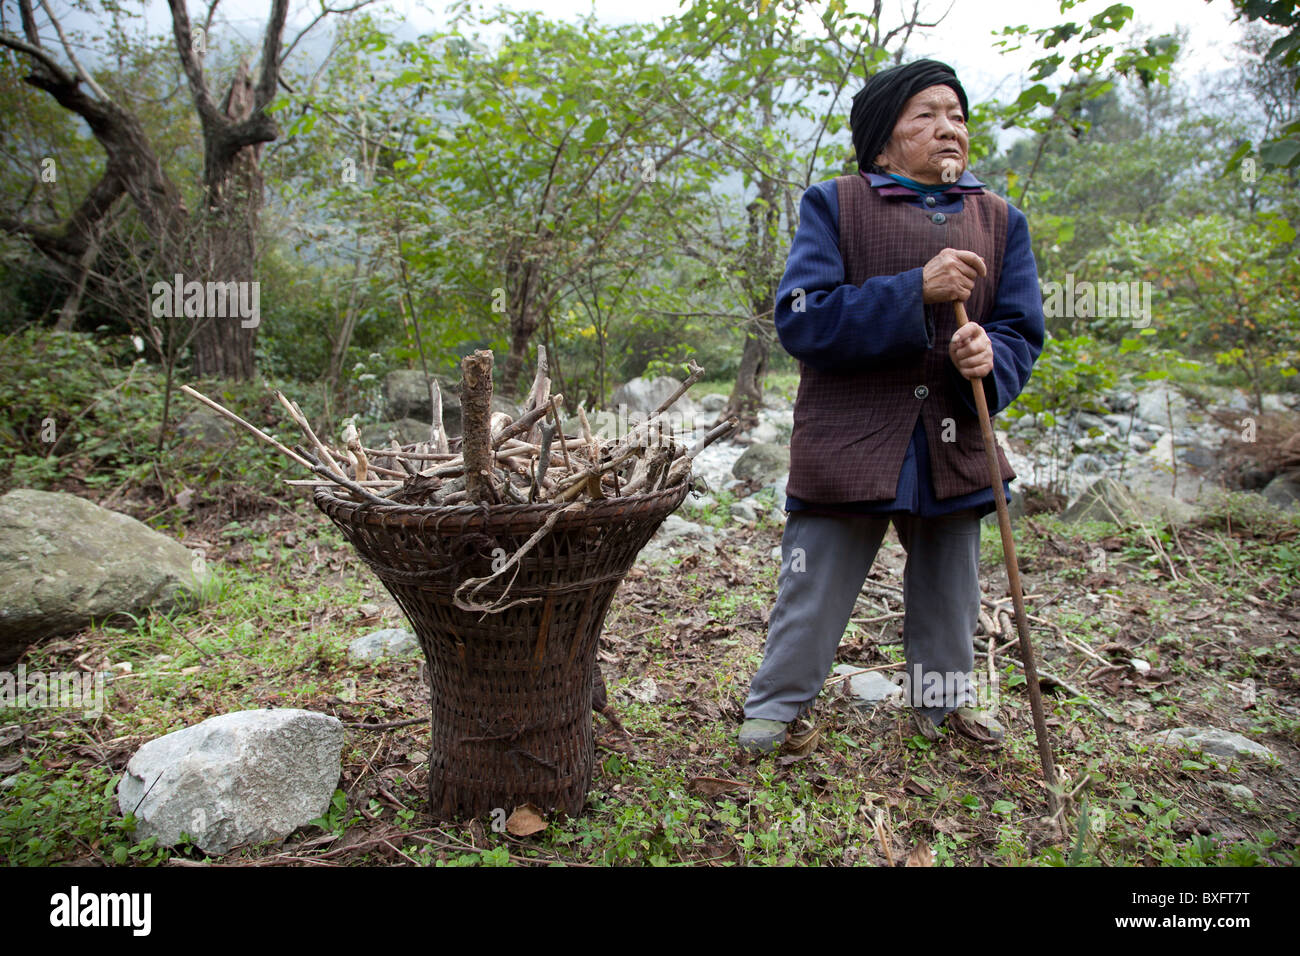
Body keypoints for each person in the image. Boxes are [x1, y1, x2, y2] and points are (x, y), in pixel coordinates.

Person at [739, 59, 1045, 754]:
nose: (949, 129)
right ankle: (775, 710)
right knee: (814, 583)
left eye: (957, 116)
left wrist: (991, 358)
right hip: (849, 441)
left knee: (950, 590)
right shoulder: (837, 204)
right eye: (926, 115)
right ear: (883, 141)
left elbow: (1022, 330)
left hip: (953, 437)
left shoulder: (998, 220)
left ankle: (940, 710)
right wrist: (914, 291)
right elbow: (802, 320)